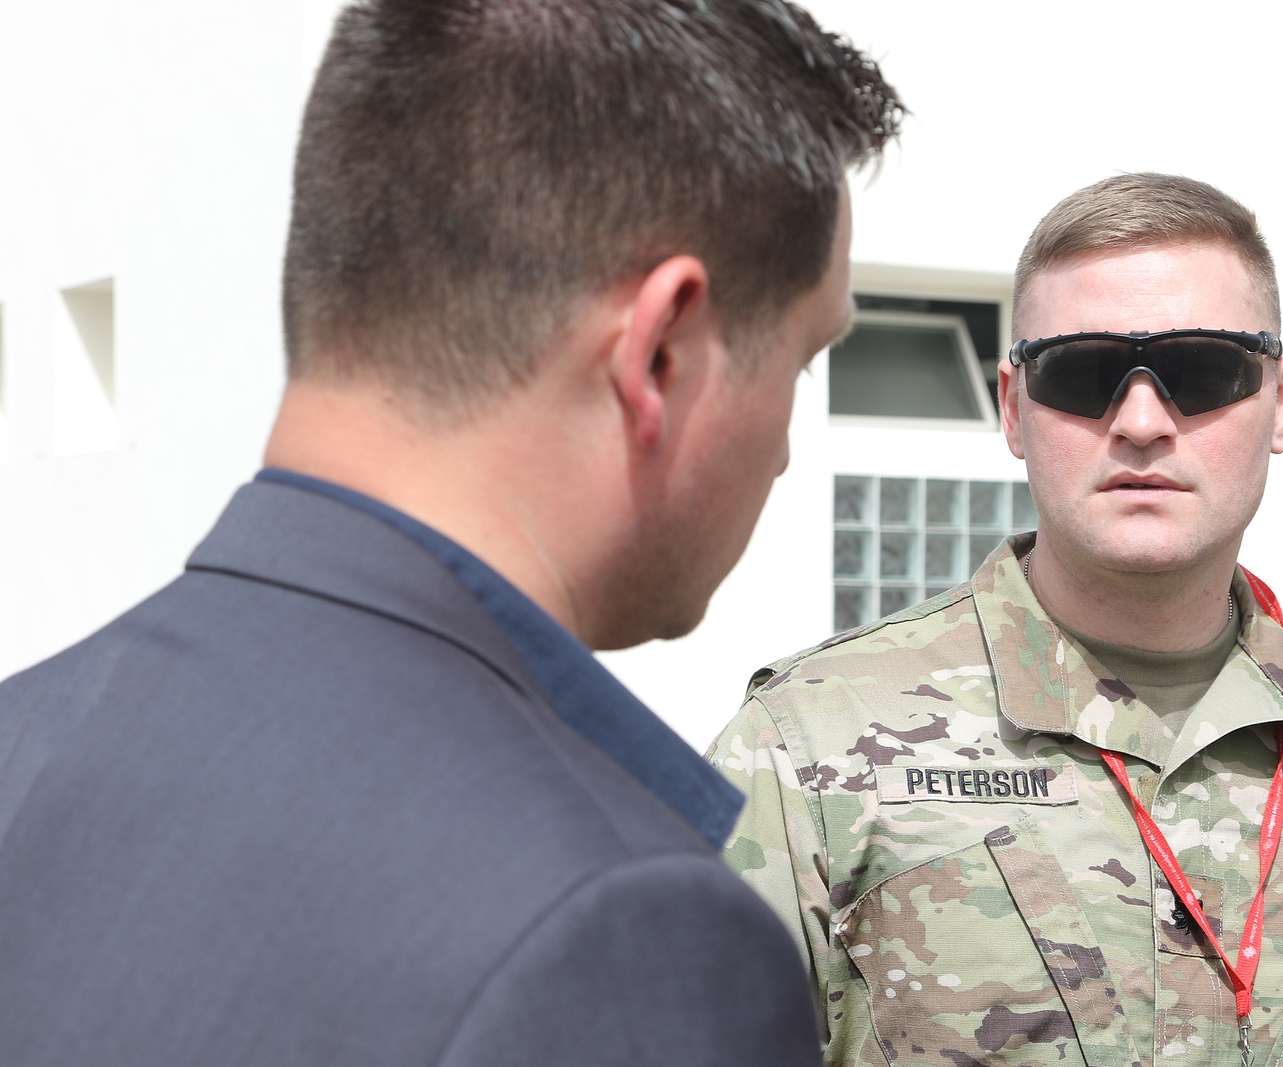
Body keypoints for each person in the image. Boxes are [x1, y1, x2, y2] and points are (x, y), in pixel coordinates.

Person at [0, 1, 901, 1063]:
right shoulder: (624, 926)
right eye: (802, 358)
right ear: (661, 350)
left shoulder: (28, 734)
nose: (789, 445)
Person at [708, 173, 1283, 1067]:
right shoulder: (806, 749)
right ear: (1014, 406)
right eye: (1084, 371)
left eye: (1203, 369)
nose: (1141, 421)